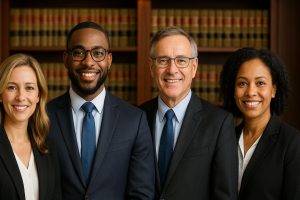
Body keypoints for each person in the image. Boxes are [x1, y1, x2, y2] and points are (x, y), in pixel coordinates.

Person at [46, 21, 155, 200]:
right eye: (79, 52)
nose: (88, 62)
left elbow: (141, 194)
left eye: (98, 53)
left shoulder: (134, 120)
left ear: (109, 60)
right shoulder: (43, 117)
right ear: (66, 59)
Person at [139, 27, 238, 200]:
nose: (172, 69)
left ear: (194, 67)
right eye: (163, 60)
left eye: (181, 60)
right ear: (151, 68)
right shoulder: (136, 118)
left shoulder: (219, 123)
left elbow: (225, 195)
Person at [220, 47, 300, 199]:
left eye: (260, 83)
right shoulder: (225, 138)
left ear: (274, 90)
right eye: (242, 83)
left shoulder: (293, 143)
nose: (250, 92)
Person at [0, 53, 61, 200]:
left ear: (38, 95)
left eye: (29, 88)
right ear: (1, 94)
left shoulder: (47, 148)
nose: (21, 97)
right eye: (11, 87)